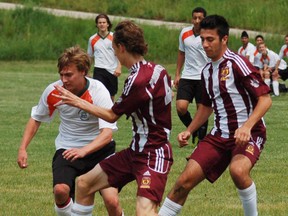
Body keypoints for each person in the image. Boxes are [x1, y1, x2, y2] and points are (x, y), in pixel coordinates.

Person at [54, 20, 173, 216]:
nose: (114, 54)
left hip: (153, 153)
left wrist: (77, 101)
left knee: (145, 212)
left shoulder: (137, 79)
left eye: (114, 49)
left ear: (121, 47)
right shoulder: (157, 69)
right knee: (84, 184)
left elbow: (111, 116)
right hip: (135, 151)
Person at [159, 15, 272, 216]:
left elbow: (265, 100)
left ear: (224, 39)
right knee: (183, 182)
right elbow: (206, 107)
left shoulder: (238, 63)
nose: (205, 44)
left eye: (210, 39)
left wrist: (246, 126)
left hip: (249, 132)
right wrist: (190, 130)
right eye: (202, 39)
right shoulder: (206, 71)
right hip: (219, 136)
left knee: (238, 171)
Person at [17, 46, 122, 216]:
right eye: (61, 75)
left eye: (69, 75)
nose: (64, 80)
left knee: (112, 200)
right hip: (67, 149)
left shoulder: (98, 91)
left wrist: (83, 151)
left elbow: (107, 134)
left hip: (100, 151)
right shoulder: (54, 91)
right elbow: (36, 118)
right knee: (60, 191)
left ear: (83, 72)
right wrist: (22, 148)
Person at [174, 7, 209, 144]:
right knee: (181, 107)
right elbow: (181, 53)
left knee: (202, 110)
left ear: (204, 19)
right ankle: (193, 130)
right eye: (195, 18)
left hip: (204, 77)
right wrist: (177, 73)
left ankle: (201, 141)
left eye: (200, 18)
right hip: (187, 75)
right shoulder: (184, 32)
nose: (197, 21)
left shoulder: (208, 34)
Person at [87, 13, 121, 101]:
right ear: (97, 25)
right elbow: (89, 56)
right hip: (99, 69)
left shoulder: (114, 37)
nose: (102, 24)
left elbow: (120, 53)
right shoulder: (92, 39)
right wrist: (87, 71)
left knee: (111, 96)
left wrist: (119, 67)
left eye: (104, 22)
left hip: (112, 70)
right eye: (99, 23)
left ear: (108, 24)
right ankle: (99, 114)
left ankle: (109, 113)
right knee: (99, 94)